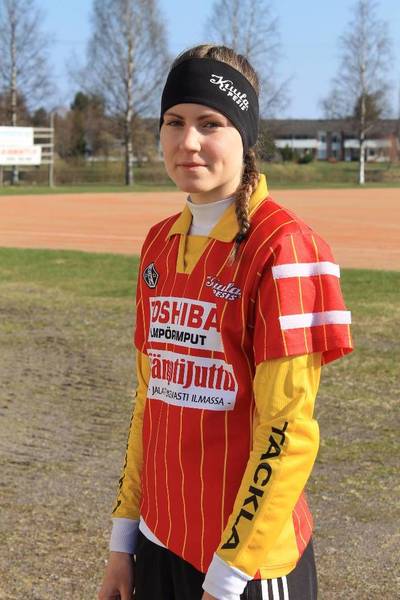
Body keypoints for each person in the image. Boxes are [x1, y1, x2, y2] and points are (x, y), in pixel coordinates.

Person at [98, 44, 353, 600]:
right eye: (174, 122)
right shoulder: (159, 244)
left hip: (243, 569)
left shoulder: (284, 247)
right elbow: (149, 402)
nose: (187, 141)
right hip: (158, 543)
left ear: (245, 134)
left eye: (210, 123)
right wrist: (124, 541)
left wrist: (228, 576)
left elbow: (287, 432)